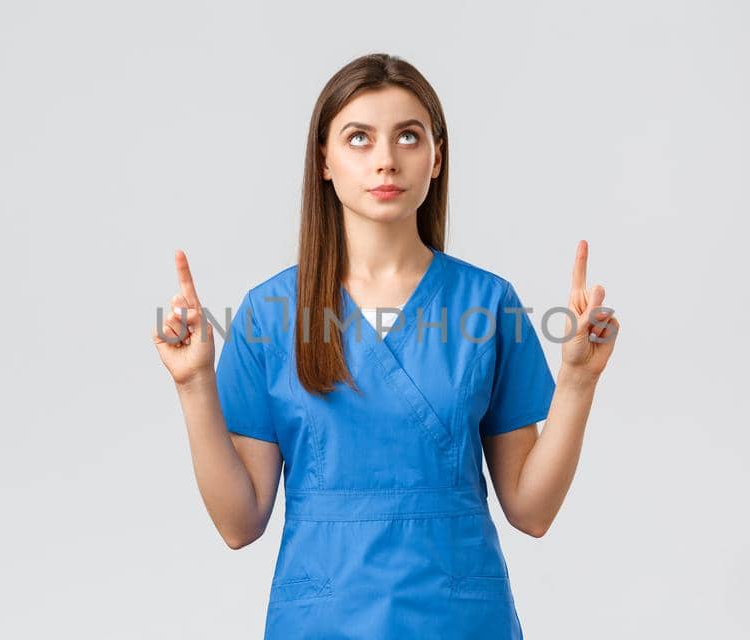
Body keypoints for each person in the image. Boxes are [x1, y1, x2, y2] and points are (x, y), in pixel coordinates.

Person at [152, 53, 620, 640]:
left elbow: (532, 511)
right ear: (323, 160)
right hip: (322, 619)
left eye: (407, 136)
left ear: (437, 157)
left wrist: (579, 380)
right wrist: (194, 383)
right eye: (358, 138)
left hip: (457, 618)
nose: (385, 160)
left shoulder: (487, 304)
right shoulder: (271, 313)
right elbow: (237, 523)